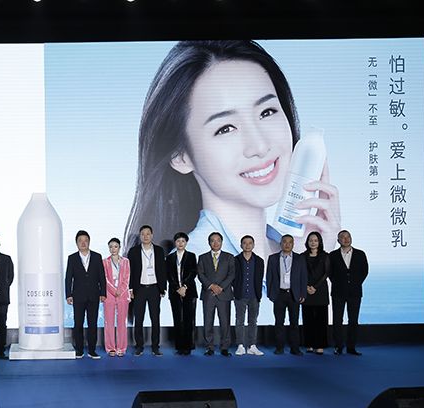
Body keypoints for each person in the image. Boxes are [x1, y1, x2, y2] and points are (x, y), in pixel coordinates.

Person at [124, 40, 341, 259]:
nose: (260, 146)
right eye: (225, 128)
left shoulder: (290, 253)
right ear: (180, 156)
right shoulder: (193, 267)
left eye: (267, 112)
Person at [126, 225, 167, 356]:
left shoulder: (159, 250)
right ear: (140, 236)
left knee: (155, 319)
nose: (145, 236)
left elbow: (163, 269)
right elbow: (130, 271)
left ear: (152, 235)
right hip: (140, 289)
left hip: (154, 288)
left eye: (148, 233)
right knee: (138, 319)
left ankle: (155, 347)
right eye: (143, 234)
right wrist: (130, 288)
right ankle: (139, 346)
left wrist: (163, 287)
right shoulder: (133, 251)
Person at [65, 230, 106, 359]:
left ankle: (92, 350)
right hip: (78, 295)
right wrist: (68, 294)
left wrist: (103, 293)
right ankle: (79, 350)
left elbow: (102, 276)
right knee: (78, 323)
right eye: (80, 241)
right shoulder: (72, 258)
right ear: (76, 243)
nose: (83, 243)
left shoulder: (97, 256)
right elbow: (68, 278)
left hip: (94, 295)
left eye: (85, 240)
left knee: (93, 323)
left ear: (89, 242)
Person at [266, 234, 308, 355]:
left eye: (290, 242)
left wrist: (303, 294)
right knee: (279, 322)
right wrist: (270, 293)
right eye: (285, 242)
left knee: (294, 323)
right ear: (281, 243)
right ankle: (279, 347)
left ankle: (295, 348)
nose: (287, 244)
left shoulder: (299, 258)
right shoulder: (273, 258)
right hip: (279, 294)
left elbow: (303, 277)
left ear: (293, 244)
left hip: (294, 294)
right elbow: (269, 277)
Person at [329, 230, 369, 356]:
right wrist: (339, 283)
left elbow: (364, 271)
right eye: (343, 237)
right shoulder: (332, 255)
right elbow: (330, 273)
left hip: (355, 292)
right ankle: (338, 346)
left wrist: (355, 283)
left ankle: (351, 347)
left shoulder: (360, 254)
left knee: (353, 320)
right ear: (338, 241)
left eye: (348, 237)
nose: (346, 239)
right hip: (338, 292)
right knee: (337, 320)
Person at [196, 232, 236, 356]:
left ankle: (225, 347)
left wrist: (221, 287)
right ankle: (209, 347)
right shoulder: (202, 257)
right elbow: (200, 274)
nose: (215, 243)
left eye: (218, 240)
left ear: (222, 242)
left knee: (225, 322)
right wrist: (211, 286)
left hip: (224, 294)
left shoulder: (229, 257)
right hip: (208, 294)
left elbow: (231, 274)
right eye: (212, 240)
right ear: (209, 243)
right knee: (208, 322)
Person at [166, 232, 197, 356]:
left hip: (189, 291)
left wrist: (184, 286)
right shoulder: (170, 257)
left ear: (186, 243)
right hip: (175, 292)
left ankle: (188, 346)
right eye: (178, 241)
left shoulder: (191, 256)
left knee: (189, 319)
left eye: (183, 241)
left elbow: (193, 272)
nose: (180, 243)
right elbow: (169, 275)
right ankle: (179, 346)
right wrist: (177, 288)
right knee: (177, 319)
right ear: (175, 243)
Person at [233, 235, 265, 356]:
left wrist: (259, 294)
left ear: (253, 245)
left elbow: (259, 279)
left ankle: (252, 346)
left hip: (254, 295)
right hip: (240, 295)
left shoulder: (259, 261)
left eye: (250, 243)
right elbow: (232, 277)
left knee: (253, 321)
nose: (247, 245)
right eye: (245, 243)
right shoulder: (235, 260)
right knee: (239, 321)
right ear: (241, 245)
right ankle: (240, 345)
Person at [301, 231, 330, 354]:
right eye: (311, 240)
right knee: (308, 319)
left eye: (315, 240)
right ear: (307, 242)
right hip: (306, 290)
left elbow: (326, 273)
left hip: (320, 290)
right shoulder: (302, 256)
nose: (313, 243)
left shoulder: (325, 256)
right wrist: (307, 287)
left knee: (321, 319)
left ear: (319, 242)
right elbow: (300, 273)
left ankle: (320, 345)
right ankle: (309, 344)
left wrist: (315, 287)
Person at [102, 238, 130, 357]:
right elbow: (104, 279)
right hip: (109, 294)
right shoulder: (104, 262)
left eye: (115, 246)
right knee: (109, 321)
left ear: (119, 247)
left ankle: (121, 348)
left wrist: (120, 290)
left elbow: (127, 278)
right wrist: (114, 290)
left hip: (123, 294)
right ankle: (110, 348)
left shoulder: (126, 261)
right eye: (111, 247)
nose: (113, 249)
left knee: (122, 322)